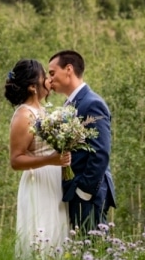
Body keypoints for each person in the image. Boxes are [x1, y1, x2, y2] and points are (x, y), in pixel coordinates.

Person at [5, 58, 71, 255]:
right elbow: (16, 160)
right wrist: (50, 160)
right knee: (41, 240)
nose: (49, 82)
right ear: (33, 87)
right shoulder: (24, 116)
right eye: (45, 77)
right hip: (38, 184)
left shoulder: (43, 111)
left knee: (58, 239)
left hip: (55, 183)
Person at [48, 49, 116, 232]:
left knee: (94, 251)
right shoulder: (69, 105)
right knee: (81, 254)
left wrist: (84, 191)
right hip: (73, 192)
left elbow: (101, 152)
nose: (49, 79)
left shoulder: (92, 103)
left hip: (89, 194)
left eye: (52, 73)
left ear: (68, 69)